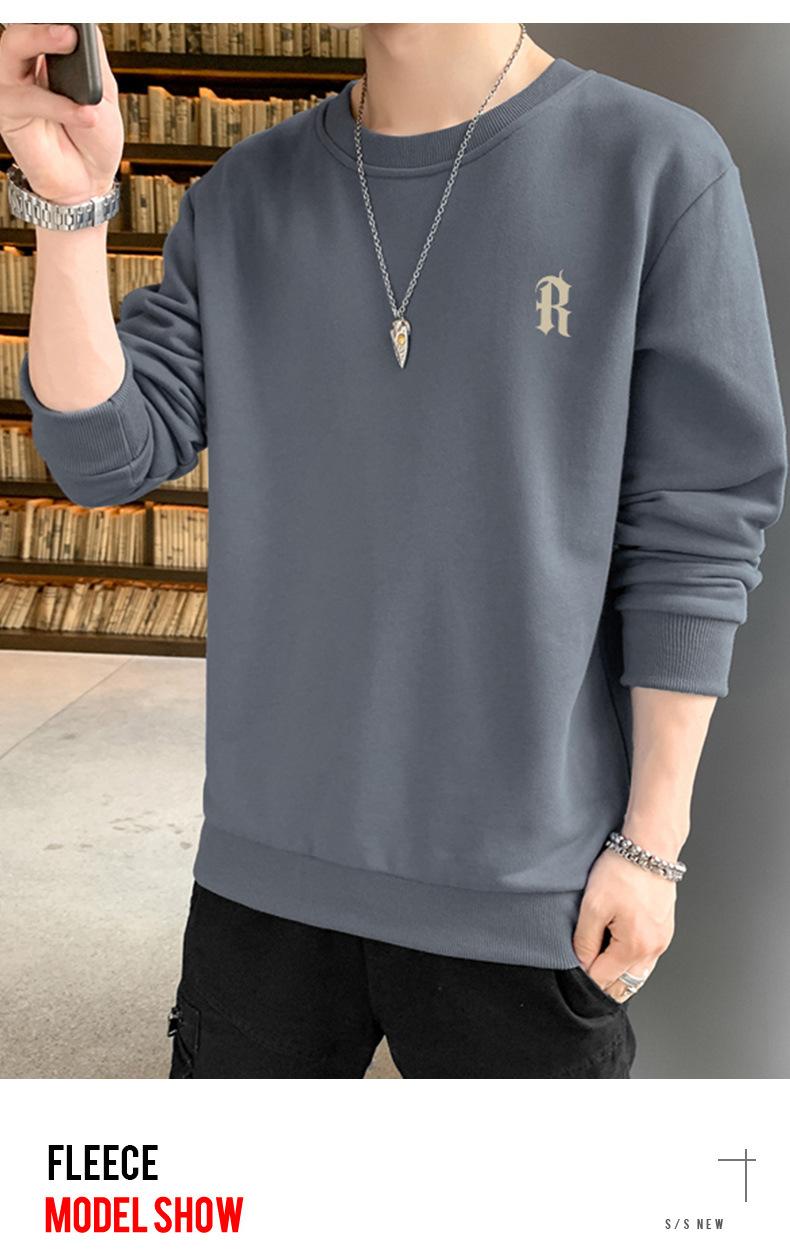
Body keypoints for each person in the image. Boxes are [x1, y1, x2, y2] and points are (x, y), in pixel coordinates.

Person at [1, 22, 785, 1079]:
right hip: (264, 878)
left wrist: (653, 844)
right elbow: (104, 457)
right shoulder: (244, 194)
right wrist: (72, 207)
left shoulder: (655, 166)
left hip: (527, 891)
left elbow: (696, 526)